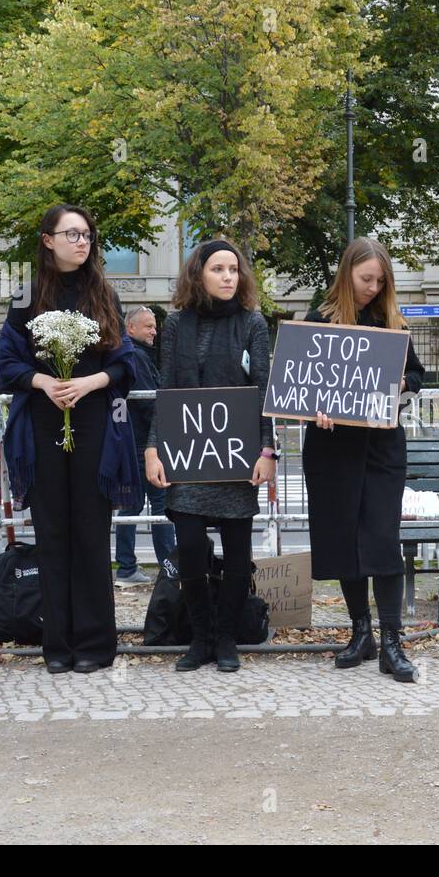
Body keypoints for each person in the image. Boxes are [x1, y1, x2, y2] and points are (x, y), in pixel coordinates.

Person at [0, 204, 141, 674]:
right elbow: (7, 363)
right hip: (41, 426)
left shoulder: (104, 292)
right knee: (53, 536)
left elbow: (127, 361)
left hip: (95, 423)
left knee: (91, 535)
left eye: (86, 235)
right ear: (47, 240)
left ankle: (97, 646)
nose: (82, 242)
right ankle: (56, 646)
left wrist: (90, 382)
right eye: (71, 234)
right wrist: (44, 383)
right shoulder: (26, 297)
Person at [144, 240, 276, 673]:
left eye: (233, 269)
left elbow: (262, 391)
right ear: (198, 274)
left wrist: (267, 449)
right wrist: (152, 447)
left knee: (239, 554)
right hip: (188, 454)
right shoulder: (177, 323)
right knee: (192, 550)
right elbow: (166, 390)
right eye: (218, 269)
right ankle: (199, 638)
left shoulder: (252, 323)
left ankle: (226, 639)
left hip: (236, 455)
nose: (227, 277)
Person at [302, 237, 424, 682]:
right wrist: (315, 404)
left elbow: (417, 375)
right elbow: (302, 382)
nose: (372, 287)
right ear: (346, 273)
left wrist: (400, 389)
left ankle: (392, 640)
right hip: (332, 449)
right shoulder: (319, 319)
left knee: (380, 539)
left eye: (379, 280)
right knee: (344, 540)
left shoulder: (392, 320)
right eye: (365, 278)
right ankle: (361, 632)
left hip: (381, 447)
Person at [114, 306, 176, 586]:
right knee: (159, 506)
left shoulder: (135, 354)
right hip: (146, 443)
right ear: (131, 329)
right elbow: (149, 402)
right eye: (148, 326)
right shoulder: (137, 356)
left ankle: (129, 567)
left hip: (138, 441)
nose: (154, 331)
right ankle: (164, 568)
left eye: (154, 326)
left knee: (133, 507)